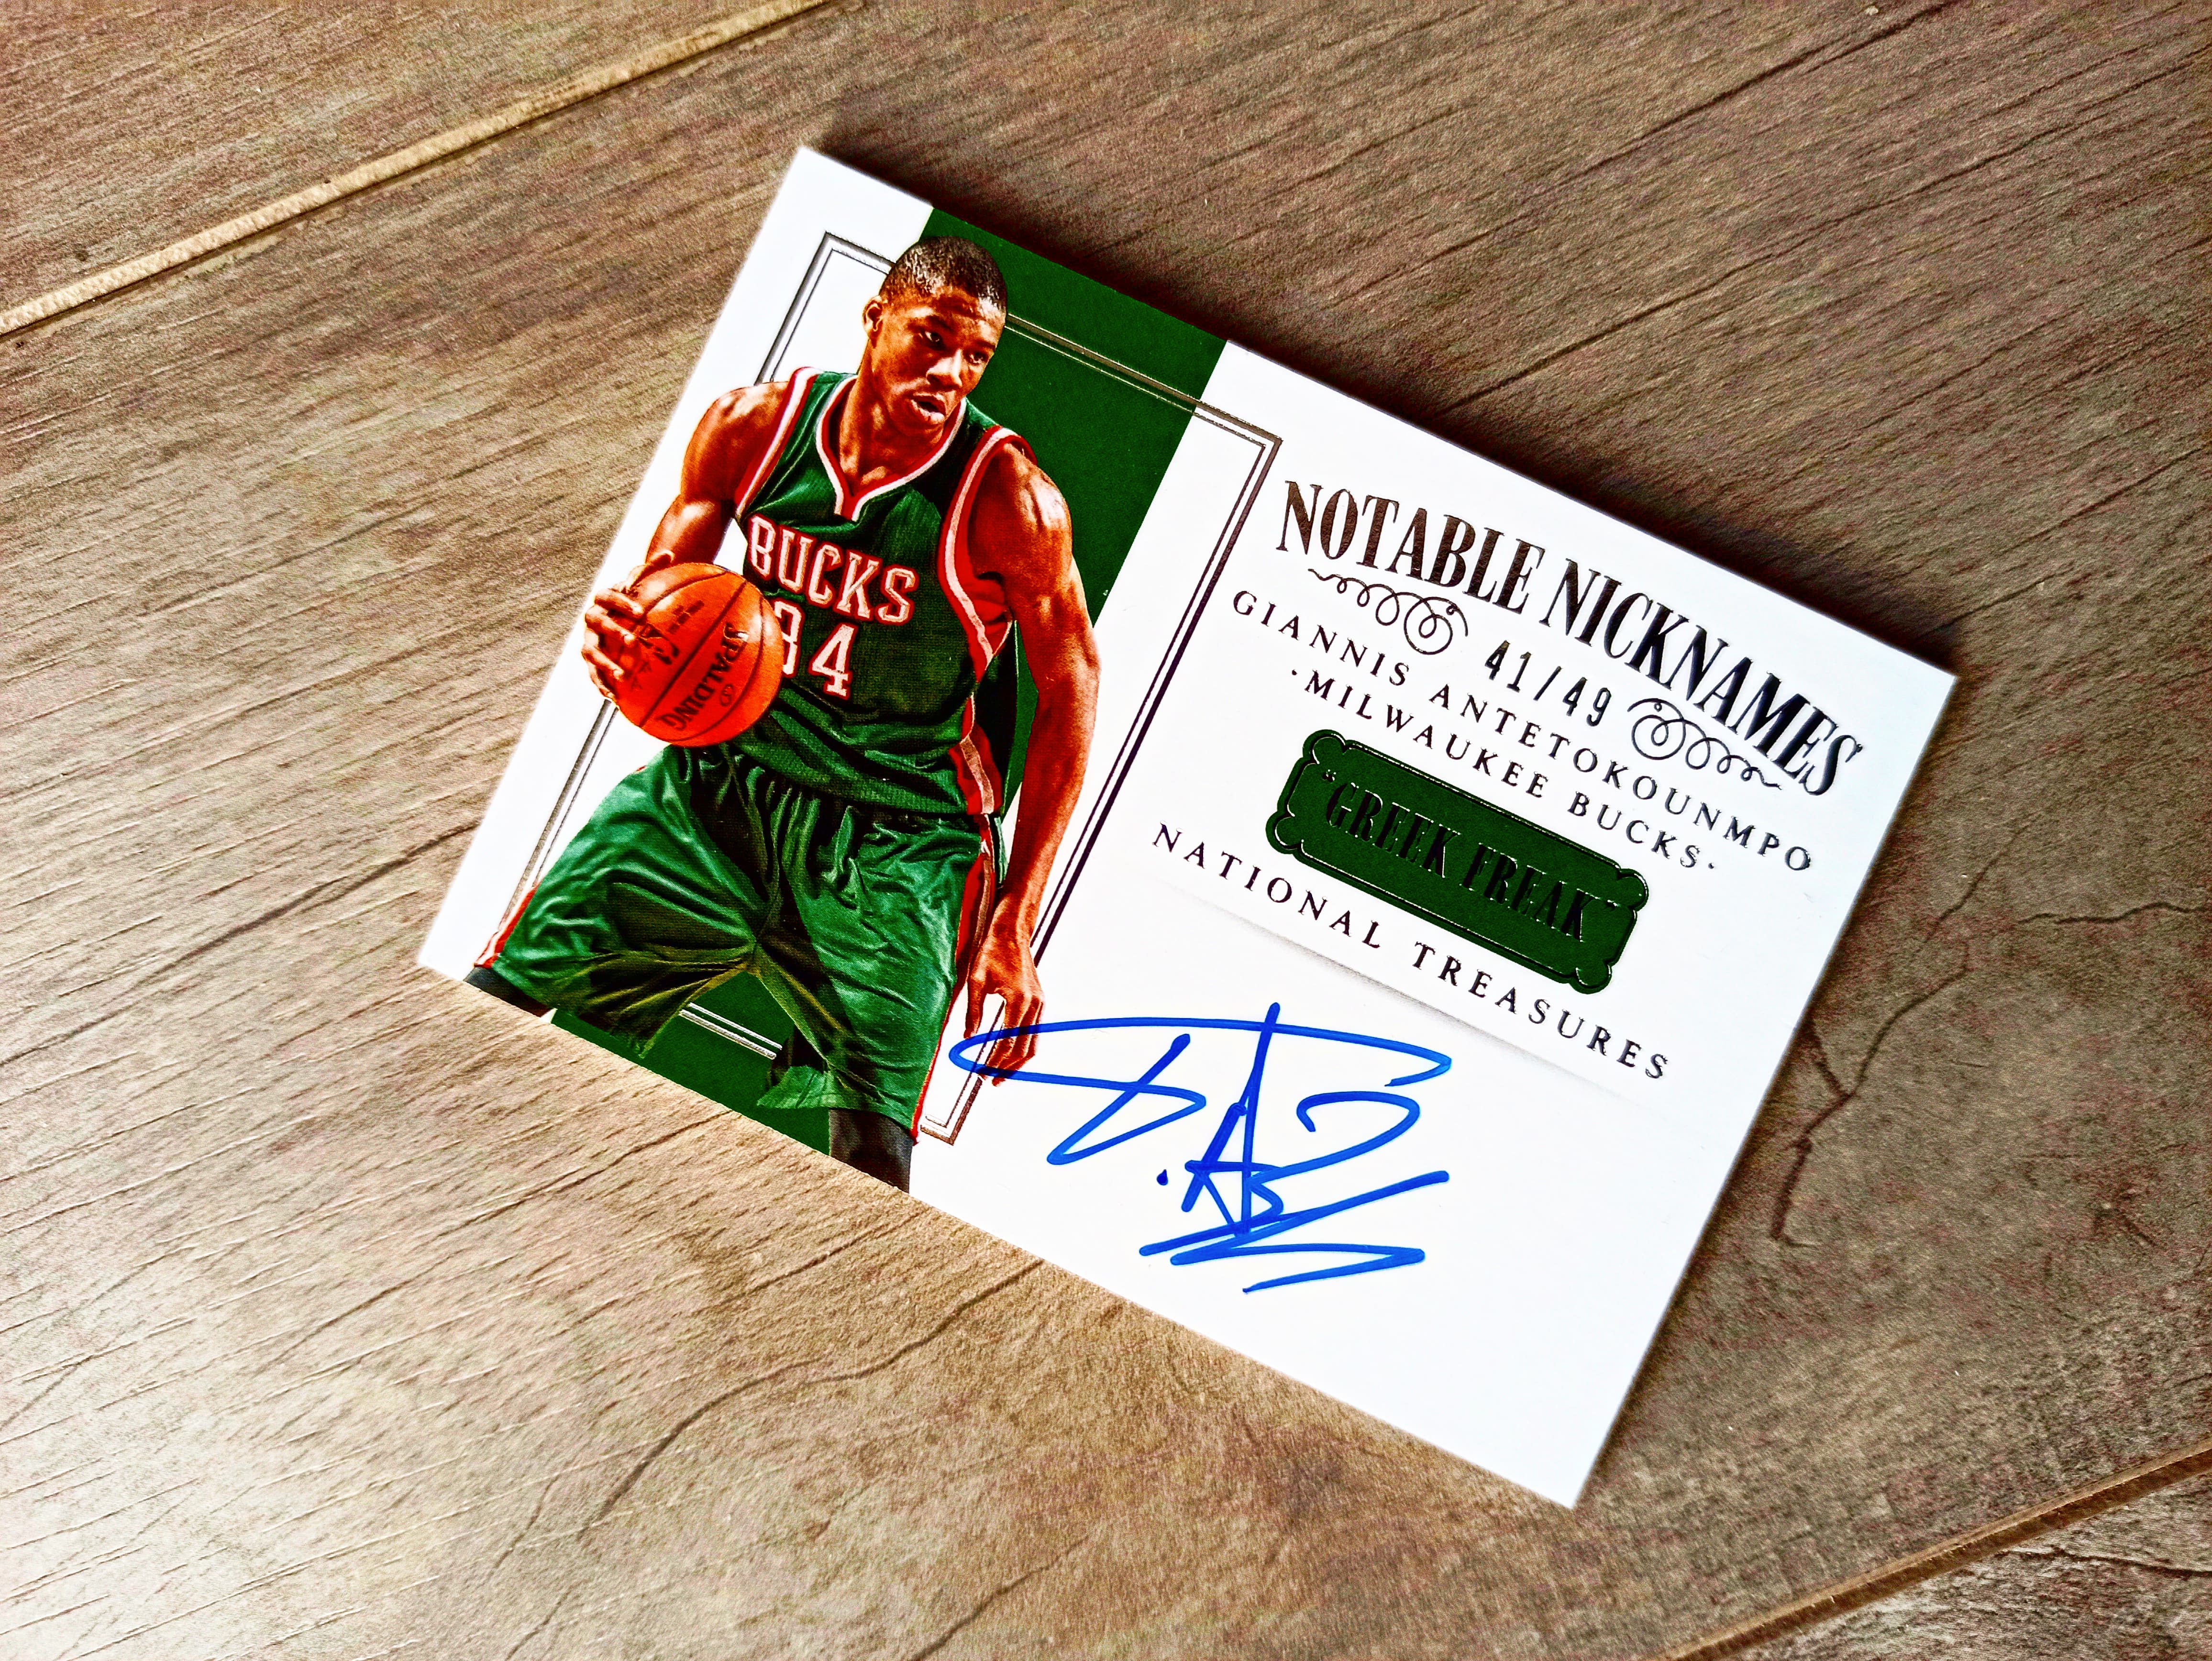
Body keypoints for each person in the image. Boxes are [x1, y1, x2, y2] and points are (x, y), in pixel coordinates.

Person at [468, 237, 1100, 1192]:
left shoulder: (1009, 499)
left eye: (976, 357)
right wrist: (627, 639)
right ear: (875, 319)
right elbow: (663, 586)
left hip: (897, 838)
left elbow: (1073, 686)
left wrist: (1017, 916)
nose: (950, 373)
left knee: (874, 1155)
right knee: (490, 1002)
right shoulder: (752, 428)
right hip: (719, 788)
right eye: (932, 338)